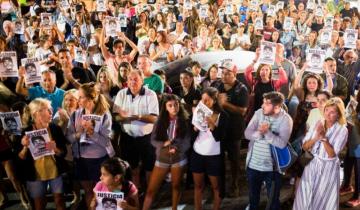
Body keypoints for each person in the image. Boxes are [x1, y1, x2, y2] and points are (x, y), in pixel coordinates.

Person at [293, 97, 348, 209]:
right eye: (327, 110)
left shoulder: (342, 130)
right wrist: (315, 138)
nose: (328, 114)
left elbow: (332, 154)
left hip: (328, 169)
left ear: (338, 115)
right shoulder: (318, 123)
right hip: (311, 165)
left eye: (332, 112)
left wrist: (323, 139)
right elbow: (304, 146)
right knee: (304, 198)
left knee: (323, 200)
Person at [66, 82, 114, 209]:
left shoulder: (104, 115)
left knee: (100, 192)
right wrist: (78, 134)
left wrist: (92, 133)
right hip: (80, 159)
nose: (78, 99)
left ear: (90, 98)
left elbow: (105, 142)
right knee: (87, 191)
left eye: (81, 97)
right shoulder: (75, 114)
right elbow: (68, 138)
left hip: (98, 159)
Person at [15, 98, 68, 210]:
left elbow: (64, 153)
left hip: (55, 172)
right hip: (35, 174)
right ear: (37, 113)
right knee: (39, 204)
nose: (51, 112)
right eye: (47, 109)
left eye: (50, 109)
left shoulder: (55, 128)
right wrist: (25, 146)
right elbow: (20, 158)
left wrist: (56, 149)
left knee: (59, 201)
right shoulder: (25, 132)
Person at [244, 91, 293, 210]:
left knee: (273, 202)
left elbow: (282, 144)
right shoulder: (259, 113)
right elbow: (247, 134)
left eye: (266, 103)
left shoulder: (286, 119)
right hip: (253, 165)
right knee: (253, 199)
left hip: (273, 169)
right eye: (263, 102)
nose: (262, 106)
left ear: (276, 107)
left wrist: (267, 133)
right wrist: (259, 133)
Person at [143, 94, 191, 210]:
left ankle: (174, 208)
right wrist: (163, 144)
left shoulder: (185, 120)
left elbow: (187, 142)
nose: (174, 108)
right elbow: (153, 140)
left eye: (176, 104)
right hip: (162, 159)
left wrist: (177, 148)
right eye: (170, 105)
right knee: (151, 190)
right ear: (165, 107)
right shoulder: (159, 122)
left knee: (176, 186)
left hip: (178, 159)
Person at [113, 70, 159, 190]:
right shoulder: (121, 94)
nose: (133, 82)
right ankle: (136, 194)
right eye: (130, 79)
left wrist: (137, 117)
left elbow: (154, 118)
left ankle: (150, 193)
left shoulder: (151, 94)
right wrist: (122, 117)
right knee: (132, 168)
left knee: (149, 168)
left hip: (146, 138)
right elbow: (116, 116)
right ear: (127, 81)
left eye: (136, 79)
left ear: (142, 81)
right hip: (127, 138)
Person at [191, 87, 228, 210]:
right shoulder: (199, 111)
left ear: (214, 100)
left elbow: (221, 137)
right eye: (203, 100)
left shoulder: (223, 115)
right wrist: (194, 127)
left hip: (214, 155)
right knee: (198, 185)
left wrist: (212, 125)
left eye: (207, 100)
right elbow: (192, 133)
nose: (204, 103)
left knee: (216, 187)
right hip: (198, 152)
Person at [217, 60, 248, 197]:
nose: (224, 76)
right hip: (219, 129)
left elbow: (242, 111)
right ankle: (220, 187)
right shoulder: (217, 86)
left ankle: (235, 186)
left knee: (234, 160)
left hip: (234, 130)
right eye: (222, 73)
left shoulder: (241, 88)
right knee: (219, 160)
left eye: (227, 73)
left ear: (234, 73)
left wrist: (225, 104)